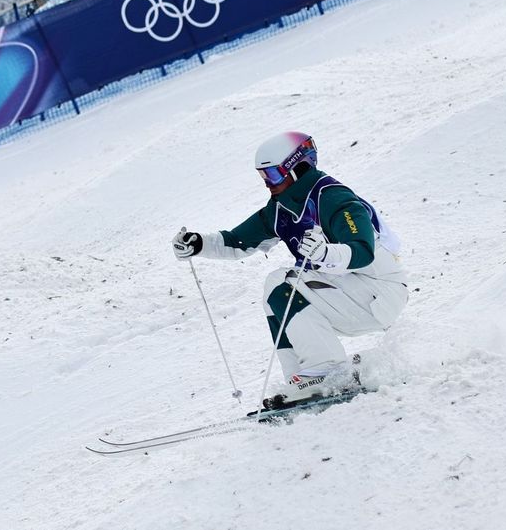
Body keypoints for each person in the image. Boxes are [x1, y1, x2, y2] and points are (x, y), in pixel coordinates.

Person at [171, 131, 407, 407]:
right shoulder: (281, 208)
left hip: (378, 290)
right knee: (274, 294)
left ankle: (327, 371)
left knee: (284, 282)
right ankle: (301, 379)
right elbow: (237, 241)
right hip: (347, 295)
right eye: (262, 176)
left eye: (272, 174)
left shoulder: (331, 197)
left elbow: (363, 251)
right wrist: (199, 243)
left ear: (298, 167)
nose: (267, 183)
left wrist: (326, 253)